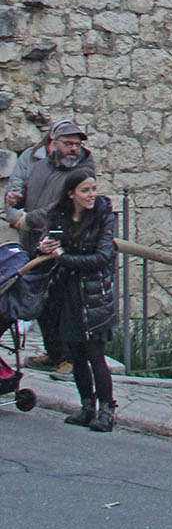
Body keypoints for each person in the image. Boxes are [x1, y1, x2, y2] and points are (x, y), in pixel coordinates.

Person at [8, 118, 93, 370]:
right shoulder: (43, 165)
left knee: (63, 302)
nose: (74, 149)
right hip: (35, 242)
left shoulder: (81, 171)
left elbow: (60, 206)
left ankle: (68, 357)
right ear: (54, 144)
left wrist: (28, 219)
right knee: (41, 301)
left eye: (77, 144)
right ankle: (53, 352)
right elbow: (32, 192)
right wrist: (18, 199)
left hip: (62, 243)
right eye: (68, 143)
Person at [37, 166, 117, 432]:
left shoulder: (103, 217)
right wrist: (45, 247)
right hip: (68, 292)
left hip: (94, 294)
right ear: (71, 194)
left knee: (95, 353)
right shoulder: (60, 216)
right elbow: (48, 242)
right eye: (85, 190)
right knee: (76, 353)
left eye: (93, 189)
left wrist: (63, 257)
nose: (91, 195)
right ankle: (86, 406)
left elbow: (103, 257)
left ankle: (107, 410)